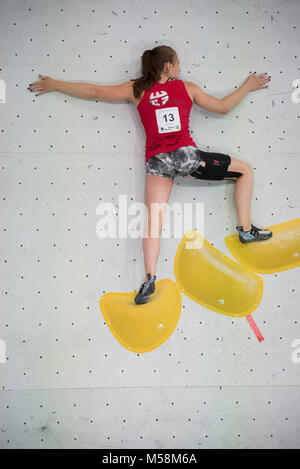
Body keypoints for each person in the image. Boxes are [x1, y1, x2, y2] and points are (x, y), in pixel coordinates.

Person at [27, 45, 272, 306]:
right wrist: (246, 86)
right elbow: (222, 107)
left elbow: (95, 91)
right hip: (186, 157)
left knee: (153, 222)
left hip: (157, 162)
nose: (180, 66)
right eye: (177, 62)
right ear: (167, 66)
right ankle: (245, 229)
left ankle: (149, 279)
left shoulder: (138, 88)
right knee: (244, 170)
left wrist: (55, 84)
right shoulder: (187, 88)